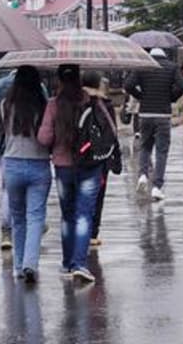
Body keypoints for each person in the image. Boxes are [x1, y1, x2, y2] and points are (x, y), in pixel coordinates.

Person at [38, 64, 113, 282]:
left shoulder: (53, 105)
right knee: (84, 214)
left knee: (68, 215)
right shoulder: (91, 101)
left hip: (63, 167)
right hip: (89, 166)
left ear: (59, 80)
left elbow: (43, 138)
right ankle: (80, 264)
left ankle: (67, 263)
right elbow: (110, 131)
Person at [0, 65, 51, 283]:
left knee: (18, 218)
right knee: (35, 217)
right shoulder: (43, 106)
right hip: (39, 164)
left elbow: (1, 132)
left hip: (11, 164)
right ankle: (31, 263)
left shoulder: (5, 105)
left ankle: (19, 267)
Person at [123, 47, 183, 201]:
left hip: (145, 114)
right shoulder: (172, 67)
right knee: (161, 151)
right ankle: (157, 186)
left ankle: (143, 175)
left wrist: (141, 96)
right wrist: (171, 97)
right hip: (163, 114)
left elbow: (128, 85)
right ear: (164, 55)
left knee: (145, 147)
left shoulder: (143, 66)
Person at [82, 70, 117, 246]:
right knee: (98, 195)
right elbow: (112, 133)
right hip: (100, 157)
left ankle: (80, 230)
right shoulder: (105, 105)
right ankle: (93, 233)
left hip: (79, 156)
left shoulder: (76, 103)